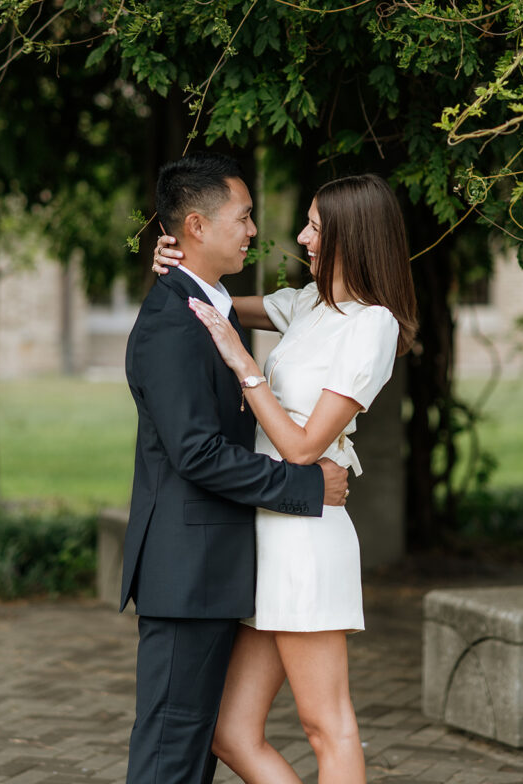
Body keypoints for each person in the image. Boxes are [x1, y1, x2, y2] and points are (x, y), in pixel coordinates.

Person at [153, 171, 417, 783]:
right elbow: (210, 301)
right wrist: (172, 261)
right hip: (266, 532)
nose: (301, 237)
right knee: (230, 732)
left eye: (317, 228)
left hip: (307, 536)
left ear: (353, 237)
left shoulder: (370, 325)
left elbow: (302, 447)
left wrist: (245, 363)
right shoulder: (306, 305)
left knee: (327, 724)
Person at [122, 152, 349, 784]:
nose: (254, 230)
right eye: (243, 217)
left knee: (193, 752)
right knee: (170, 755)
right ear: (196, 226)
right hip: (185, 573)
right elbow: (196, 453)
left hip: (211, 568)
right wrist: (307, 485)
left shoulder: (210, 305)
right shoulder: (172, 323)